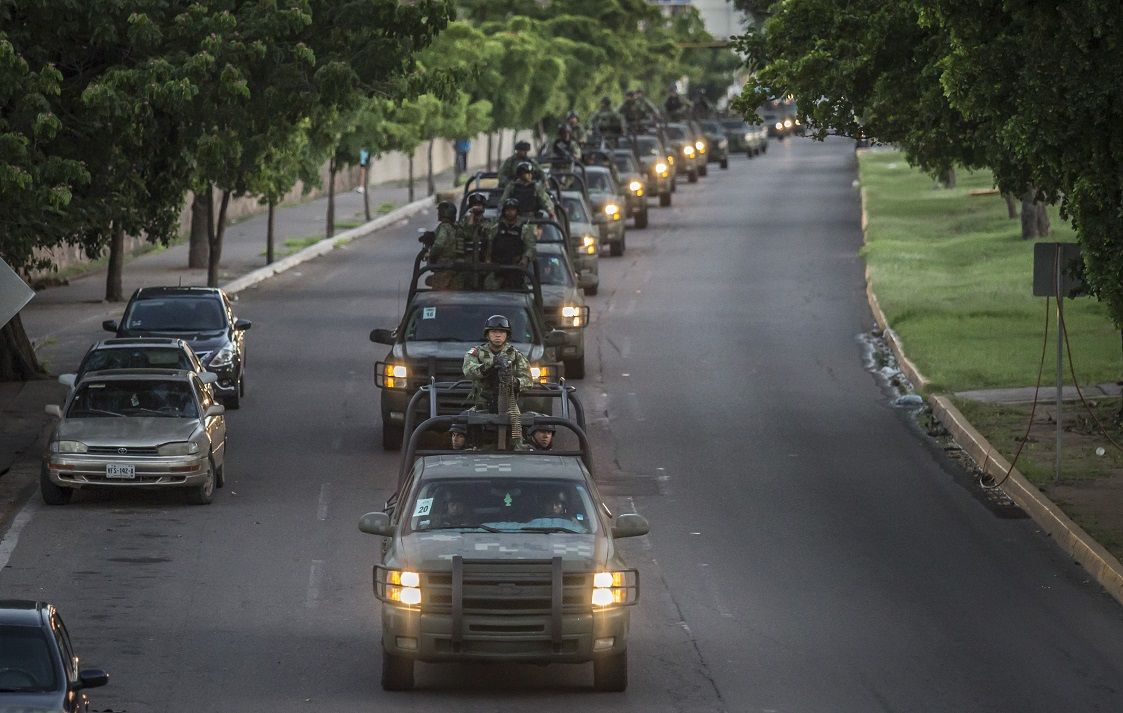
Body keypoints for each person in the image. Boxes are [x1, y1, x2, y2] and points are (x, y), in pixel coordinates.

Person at [463, 315, 533, 416]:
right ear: (487, 335)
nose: (498, 335)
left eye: (502, 332)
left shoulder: (515, 354)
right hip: (481, 406)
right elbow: (468, 371)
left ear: (507, 335)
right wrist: (489, 366)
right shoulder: (476, 352)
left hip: (509, 407)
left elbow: (528, 381)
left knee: (520, 428)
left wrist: (514, 381)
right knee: (460, 425)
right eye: (494, 332)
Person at [484, 199, 537, 289]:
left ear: (517, 211)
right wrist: (487, 259)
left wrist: (525, 258)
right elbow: (489, 243)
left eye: (512, 210)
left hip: (515, 269)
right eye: (507, 210)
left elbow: (531, 247)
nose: (510, 212)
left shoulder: (524, 228)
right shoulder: (496, 226)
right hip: (496, 267)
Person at [427, 201, 462, 289]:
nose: (438, 214)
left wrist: (431, 255)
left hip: (443, 266)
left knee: (439, 296)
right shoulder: (457, 227)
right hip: (456, 266)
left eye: (439, 212)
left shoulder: (444, 227)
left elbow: (439, 244)